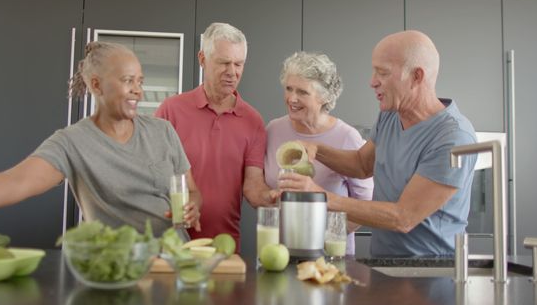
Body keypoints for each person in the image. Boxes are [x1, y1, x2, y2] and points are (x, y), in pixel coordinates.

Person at [0, 41, 201, 238]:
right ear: (96, 85)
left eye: (140, 81)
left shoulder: (163, 132)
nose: (138, 91)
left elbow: (191, 189)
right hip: (116, 265)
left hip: (174, 261)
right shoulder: (72, 143)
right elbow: (14, 182)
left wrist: (193, 206)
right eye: (129, 81)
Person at [278, 31, 477, 257]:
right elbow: (362, 164)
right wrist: (316, 149)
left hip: (431, 271)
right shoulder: (391, 115)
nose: (372, 81)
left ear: (416, 76)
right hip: (385, 264)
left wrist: (319, 195)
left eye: (382, 73)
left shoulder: (452, 137)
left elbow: (403, 217)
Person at [155, 23, 277, 250]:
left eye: (239, 64)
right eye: (224, 63)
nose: (232, 72)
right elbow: (151, 173)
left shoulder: (253, 121)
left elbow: (253, 187)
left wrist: (277, 197)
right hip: (170, 241)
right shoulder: (170, 111)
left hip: (225, 244)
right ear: (202, 59)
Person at [265, 51, 373, 255]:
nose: (292, 98)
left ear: (324, 97)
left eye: (302, 92)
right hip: (278, 254)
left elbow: (365, 208)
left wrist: (320, 240)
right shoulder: (272, 130)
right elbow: (266, 189)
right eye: (288, 89)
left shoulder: (347, 137)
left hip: (330, 257)